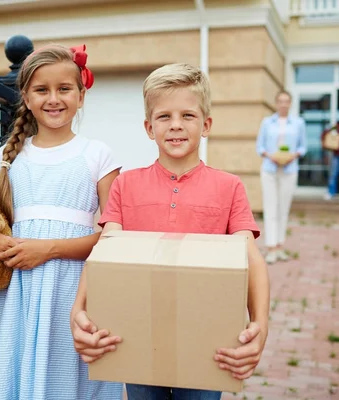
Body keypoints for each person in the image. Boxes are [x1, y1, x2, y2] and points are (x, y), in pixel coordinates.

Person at [70, 63, 270, 400]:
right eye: (164, 117)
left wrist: (260, 325)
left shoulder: (229, 187)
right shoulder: (126, 185)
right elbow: (105, 252)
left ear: (206, 125)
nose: (176, 125)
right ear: (149, 128)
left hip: (208, 340)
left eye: (188, 116)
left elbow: (250, 259)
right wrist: (79, 312)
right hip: (136, 334)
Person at [0, 44, 124, 399]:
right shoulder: (8, 158)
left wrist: (49, 249)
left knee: (68, 374)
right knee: (16, 369)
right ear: (26, 96)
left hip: (74, 287)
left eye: (64, 89)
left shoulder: (97, 155)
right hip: (16, 294)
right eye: (42, 90)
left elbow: (114, 235)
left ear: (81, 95)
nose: (54, 99)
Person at [255, 91, 307, 265]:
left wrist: (293, 156)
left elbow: (303, 147)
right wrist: (270, 156)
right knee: (270, 208)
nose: (283, 104)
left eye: (286, 101)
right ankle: (270, 248)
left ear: (290, 103)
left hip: (289, 169)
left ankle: (280, 246)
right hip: (270, 169)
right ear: (276, 103)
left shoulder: (299, 123)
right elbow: (260, 146)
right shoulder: (267, 123)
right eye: (280, 101)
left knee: (283, 209)